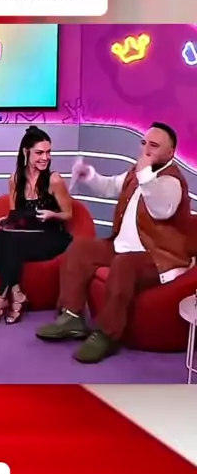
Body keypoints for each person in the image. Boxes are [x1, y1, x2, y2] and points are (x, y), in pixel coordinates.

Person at [36, 122, 193, 363]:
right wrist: (90, 176)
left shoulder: (171, 181)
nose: (145, 149)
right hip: (122, 246)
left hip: (157, 256)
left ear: (170, 152)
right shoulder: (137, 173)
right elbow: (111, 187)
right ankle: (72, 316)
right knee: (81, 249)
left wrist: (144, 174)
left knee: (123, 265)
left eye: (153, 145)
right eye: (144, 143)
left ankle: (107, 334)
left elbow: (162, 209)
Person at [0, 126, 73, 327]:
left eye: (48, 152)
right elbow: (16, 214)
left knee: (11, 244)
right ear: (26, 152)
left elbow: (68, 214)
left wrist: (53, 214)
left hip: (50, 236)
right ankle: (17, 293)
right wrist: (6, 221)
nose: (45, 158)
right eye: (39, 153)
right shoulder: (15, 180)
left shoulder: (54, 180)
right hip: (24, 234)